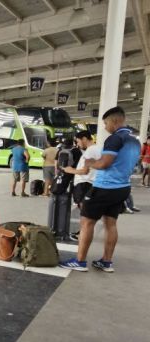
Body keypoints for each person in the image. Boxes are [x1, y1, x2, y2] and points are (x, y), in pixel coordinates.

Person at [59, 107, 141, 273]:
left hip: (105, 187)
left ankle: (80, 262)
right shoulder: (134, 141)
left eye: (105, 123)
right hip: (123, 187)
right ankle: (106, 262)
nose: (105, 127)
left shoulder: (115, 139)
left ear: (114, 121)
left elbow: (104, 164)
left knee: (87, 222)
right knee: (111, 224)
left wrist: (89, 163)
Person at [62, 131, 101, 240]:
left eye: (78, 141)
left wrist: (70, 170)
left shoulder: (91, 151)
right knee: (85, 211)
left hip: (84, 184)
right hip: (88, 184)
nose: (78, 144)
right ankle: (83, 233)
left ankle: (83, 235)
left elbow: (84, 171)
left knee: (85, 213)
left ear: (84, 138)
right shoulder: (96, 149)